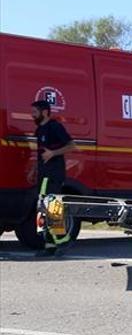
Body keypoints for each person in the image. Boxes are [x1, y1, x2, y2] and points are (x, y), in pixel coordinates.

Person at [27, 100, 77, 256]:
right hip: (43, 174)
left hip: (53, 174)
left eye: (35, 112)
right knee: (42, 209)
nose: (32, 115)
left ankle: (63, 241)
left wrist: (53, 153)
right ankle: (49, 245)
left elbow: (72, 145)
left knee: (52, 207)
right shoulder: (39, 130)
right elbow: (41, 153)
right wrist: (35, 168)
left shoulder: (55, 127)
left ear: (45, 112)